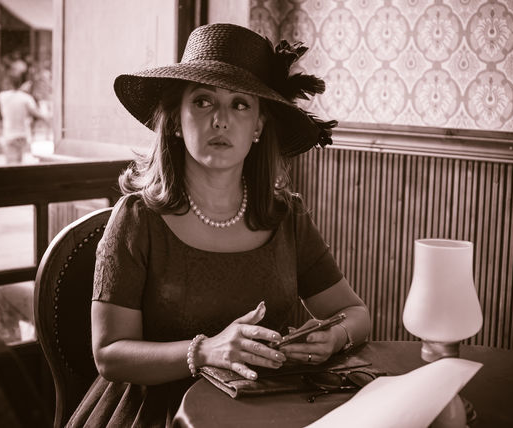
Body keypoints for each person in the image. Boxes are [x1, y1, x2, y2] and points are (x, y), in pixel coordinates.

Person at [68, 23, 371, 427]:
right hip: (158, 412)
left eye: (240, 104)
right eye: (203, 101)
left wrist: (334, 337)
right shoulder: (136, 219)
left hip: (266, 408)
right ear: (175, 121)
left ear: (258, 126)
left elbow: (355, 313)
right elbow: (109, 354)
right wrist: (204, 351)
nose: (221, 120)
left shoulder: (288, 216)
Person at [0, 74, 49, 164]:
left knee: (11, 165)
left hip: (9, 135)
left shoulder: (2, 96)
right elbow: (38, 113)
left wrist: (21, 89)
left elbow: (14, 94)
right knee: (21, 165)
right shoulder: (26, 98)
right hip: (23, 135)